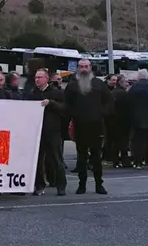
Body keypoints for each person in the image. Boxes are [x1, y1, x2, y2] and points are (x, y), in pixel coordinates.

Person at [64, 59, 112, 195]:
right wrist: (74, 115)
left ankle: (99, 184)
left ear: (90, 68)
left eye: (86, 66)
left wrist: (101, 113)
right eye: (81, 67)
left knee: (96, 156)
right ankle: (82, 185)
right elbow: (67, 104)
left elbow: (109, 102)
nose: (83, 69)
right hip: (80, 126)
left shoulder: (99, 84)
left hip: (96, 127)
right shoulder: (72, 86)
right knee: (81, 157)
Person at [30, 69, 67, 197]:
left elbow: (64, 108)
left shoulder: (56, 92)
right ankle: (39, 185)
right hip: (37, 131)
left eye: (40, 77)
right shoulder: (32, 93)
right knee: (37, 160)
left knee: (56, 159)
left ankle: (60, 185)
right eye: (36, 77)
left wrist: (51, 103)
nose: (37, 80)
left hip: (52, 131)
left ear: (46, 79)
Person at [110, 76, 132, 168]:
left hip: (113, 120)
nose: (127, 84)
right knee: (123, 142)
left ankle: (115, 160)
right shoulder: (123, 94)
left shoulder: (112, 93)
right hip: (123, 121)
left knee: (115, 142)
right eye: (126, 82)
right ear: (120, 83)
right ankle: (124, 160)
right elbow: (127, 108)